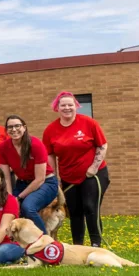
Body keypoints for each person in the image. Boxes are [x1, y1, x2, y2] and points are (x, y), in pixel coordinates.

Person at [43, 91, 110, 247]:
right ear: (57, 108)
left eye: (70, 105)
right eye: (63, 105)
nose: (67, 108)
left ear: (76, 107)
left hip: (93, 175)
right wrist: (55, 178)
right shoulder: (50, 130)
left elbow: (102, 145)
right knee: (74, 212)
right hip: (68, 177)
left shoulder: (88, 123)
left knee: (90, 207)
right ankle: (78, 245)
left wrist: (94, 167)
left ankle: (96, 244)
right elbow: (50, 155)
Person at [0, 115, 58, 233]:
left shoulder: (35, 144)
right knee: (8, 208)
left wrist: (19, 197)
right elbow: (6, 177)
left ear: (24, 127)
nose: (14, 129)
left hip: (46, 183)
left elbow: (39, 179)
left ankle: (45, 242)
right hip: (22, 183)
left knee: (28, 207)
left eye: (17, 126)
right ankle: (18, 243)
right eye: (10, 127)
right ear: (6, 130)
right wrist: (10, 197)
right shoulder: (4, 147)